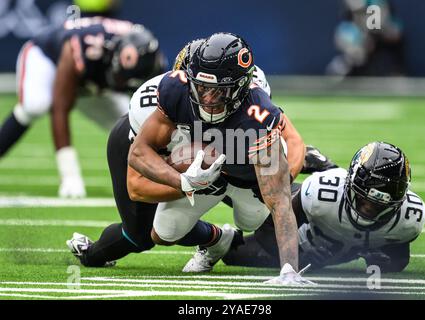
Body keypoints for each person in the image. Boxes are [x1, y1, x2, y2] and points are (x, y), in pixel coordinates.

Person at [127, 32, 315, 285]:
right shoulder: (174, 90)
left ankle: (308, 181)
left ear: (241, 86)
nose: (207, 98)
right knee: (163, 233)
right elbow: (138, 154)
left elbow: (280, 202)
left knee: (250, 220)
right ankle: (216, 240)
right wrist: (183, 181)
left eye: (218, 91)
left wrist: (289, 270)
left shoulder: (257, 114)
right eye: (201, 87)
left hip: (248, 174)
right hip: (203, 171)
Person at [0, 16, 166, 198]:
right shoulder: (82, 47)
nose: (121, 84)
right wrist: (70, 175)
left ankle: (156, 176)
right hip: (47, 60)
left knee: (131, 126)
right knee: (36, 105)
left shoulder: (153, 63)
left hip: (91, 81)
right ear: (112, 54)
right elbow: (60, 108)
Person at [223, 142, 425, 273]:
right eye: (365, 199)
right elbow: (267, 230)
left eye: (379, 205)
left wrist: (379, 262)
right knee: (250, 195)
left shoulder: (409, 218)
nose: (369, 208)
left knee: (231, 252)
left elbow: (399, 260)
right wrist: (299, 256)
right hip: (303, 236)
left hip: (329, 245)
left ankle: (324, 164)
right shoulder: (322, 193)